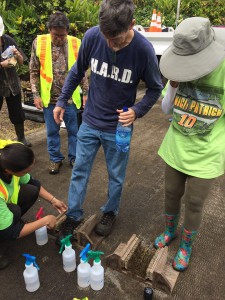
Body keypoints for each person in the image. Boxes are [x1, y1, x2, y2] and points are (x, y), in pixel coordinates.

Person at [53, 0, 163, 242]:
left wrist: (137, 110)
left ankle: (110, 212)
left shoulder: (143, 51)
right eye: (107, 39)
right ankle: (73, 214)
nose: (112, 45)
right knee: (79, 170)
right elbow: (77, 71)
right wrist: (61, 101)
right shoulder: (93, 36)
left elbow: (156, 88)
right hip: (90, 122)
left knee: (116, 174)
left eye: (118, 40)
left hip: (119, 128)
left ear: (132, 25)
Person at [154, 17, 225, 271]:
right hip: (176, 146)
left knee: (194, 203)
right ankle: (170, 231)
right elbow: (165, 109)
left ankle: (186, 246)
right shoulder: (179, 68)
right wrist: (173, 84)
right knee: (171, 194)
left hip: (207, 152)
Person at [30, 12, 88, 175]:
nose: (59, 39)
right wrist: (36, 95)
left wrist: (86, 93)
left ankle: (74, 157)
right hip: (50, 99)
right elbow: (33, 70)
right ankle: (55, 159)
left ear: (67, 31)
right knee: (52, 131)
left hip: (70, 99)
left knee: (74, 131)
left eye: (62, 35)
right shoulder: (39, 42)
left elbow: (82, 71)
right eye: (56, 35)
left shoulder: (76, 43)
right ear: (49, 30)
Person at [0, 140, 67, 270]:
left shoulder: (7, 159)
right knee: (12, 215)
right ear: (9, 171)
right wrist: (44, 221)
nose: (28, 173)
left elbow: (33, 182)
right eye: (26, 171)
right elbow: (11, 232)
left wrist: (53, 200)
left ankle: (12, 221)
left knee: (31, 191)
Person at [0, 16, 31, 147]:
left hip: (12, 83)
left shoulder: (8, 40)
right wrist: (2, 64)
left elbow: (21, 61)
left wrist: (17, 56)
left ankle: (21, 137)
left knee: (17, 111)